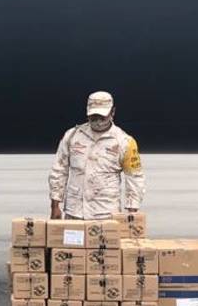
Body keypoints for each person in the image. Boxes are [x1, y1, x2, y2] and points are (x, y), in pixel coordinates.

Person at [48, 91, 145, 220]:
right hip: (74, 213)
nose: (98, 121)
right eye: (94, 117)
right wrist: (55, 206)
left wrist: (132, 212)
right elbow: (59, 170)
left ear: (113, 112)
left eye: (102, 117)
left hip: (107, 214)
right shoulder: (72, 136)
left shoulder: (125, 142)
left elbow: (134, 178)